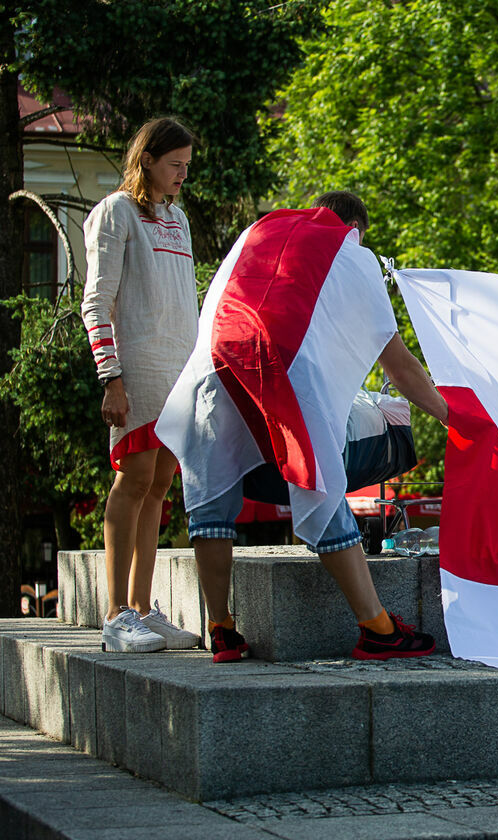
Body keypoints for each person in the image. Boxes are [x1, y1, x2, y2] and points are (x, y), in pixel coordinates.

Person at [156, 191, 449, 663]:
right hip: (282, 370)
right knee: (322, 484)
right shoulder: (351, 253)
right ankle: (377, 627)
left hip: (213, 368)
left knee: (212, 500)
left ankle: (222, 629)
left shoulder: (262, 229)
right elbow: (398, 366)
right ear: (354, 227)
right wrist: (453, 418)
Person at [81, 117, 202, 654]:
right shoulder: (116, 212)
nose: (181, 175)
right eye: (174, 165)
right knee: (132, 482)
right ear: (147, 159)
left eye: (186, 166)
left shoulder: (179, 219)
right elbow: (97, 301)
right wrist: (112, 377)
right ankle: (114, 616)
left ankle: (142, 607)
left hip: (180, 373)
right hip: (137, 369)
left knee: (158, 486)